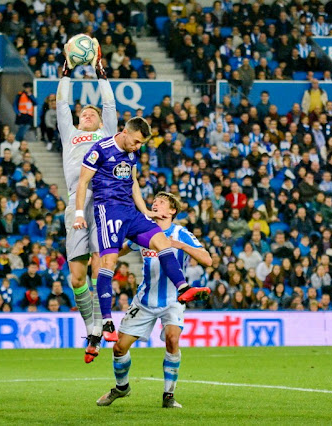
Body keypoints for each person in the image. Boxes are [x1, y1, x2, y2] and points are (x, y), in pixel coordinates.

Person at [74, 117, 210, 342]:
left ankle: (183, 288)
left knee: (162, 241)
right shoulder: (100, 150)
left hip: (131, 211)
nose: (137, 147)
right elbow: (82, 182)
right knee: (108, 263)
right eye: (136, 142)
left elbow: (134, 182)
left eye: (141, 144)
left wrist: (145, 211)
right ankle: (107, 322)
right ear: (125, 132)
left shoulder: (133, 153)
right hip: (109, 211)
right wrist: (79, 214)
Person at [96, 185, 212, 409]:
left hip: (173, 300)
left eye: (161, 202)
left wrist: (179, 246)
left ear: (170, 212)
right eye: (154, 201)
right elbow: (122, 249)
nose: (155, 204)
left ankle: (168, 396)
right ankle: (122, 388)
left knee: (172, 339)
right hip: (145, 300)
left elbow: (207, 260)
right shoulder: (142, 230)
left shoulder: (180, 233)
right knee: (119, 348)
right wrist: (104, 252)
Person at [57, 40, 118, 363]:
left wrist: (100, 73)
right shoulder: (70, 134)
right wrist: (66, 73)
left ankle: (102, 319)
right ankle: (91, 324)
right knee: (76, 277)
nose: (89, 113)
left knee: (99, 266)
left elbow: (109, 106)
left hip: (104, 203)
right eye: (85, 112)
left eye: (92, 111)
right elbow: (60, 104)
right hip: (74, 204)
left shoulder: (107, 133)